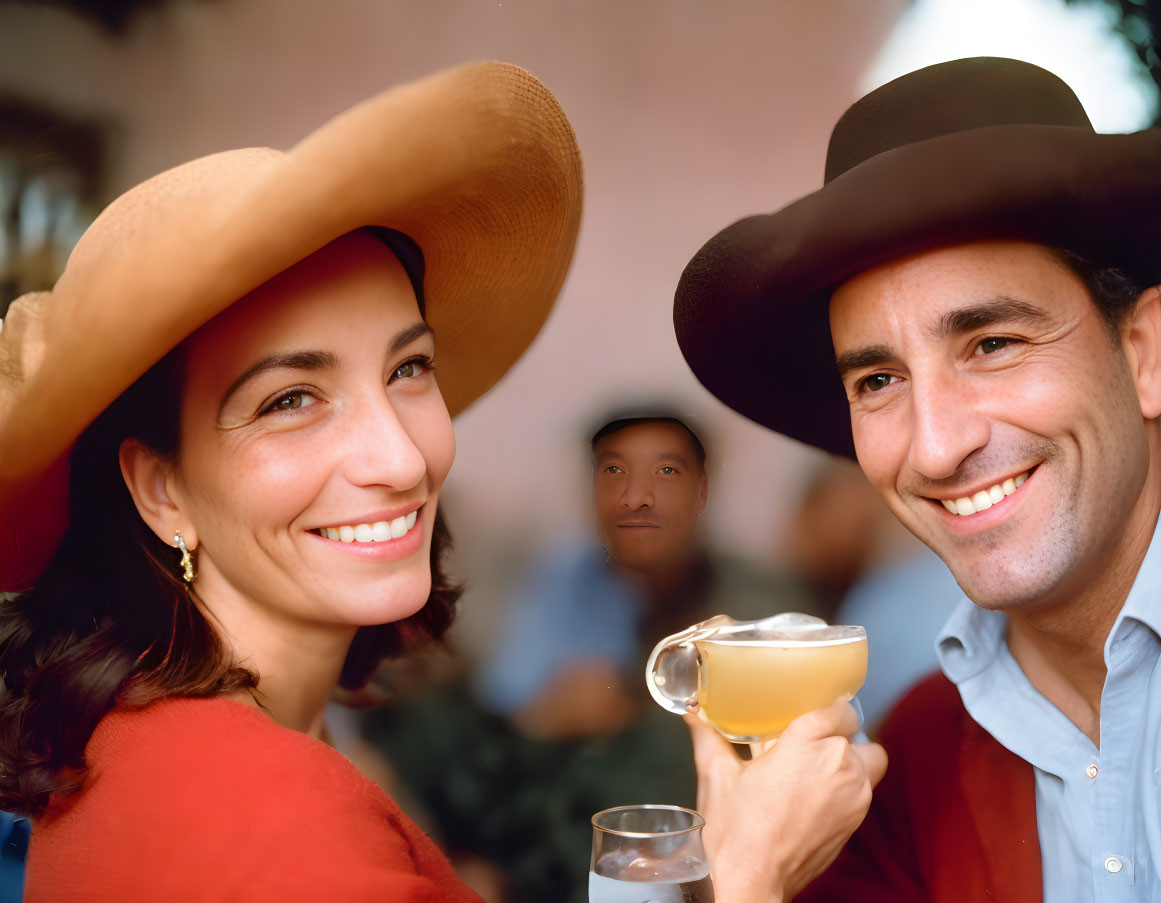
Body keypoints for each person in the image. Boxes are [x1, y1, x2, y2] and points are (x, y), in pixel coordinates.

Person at [0, 62, 881, 903]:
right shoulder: (263, 814)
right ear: (162, 490)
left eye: (409, 368)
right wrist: (748, 868)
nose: (402, 456)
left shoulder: (182, 739)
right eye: (291, 399)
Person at [673, 57, 1161, 901]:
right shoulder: (912, 760)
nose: (934, 448)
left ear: (1147, 353)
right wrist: (748, 877)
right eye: (877, 381)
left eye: (992, 343)